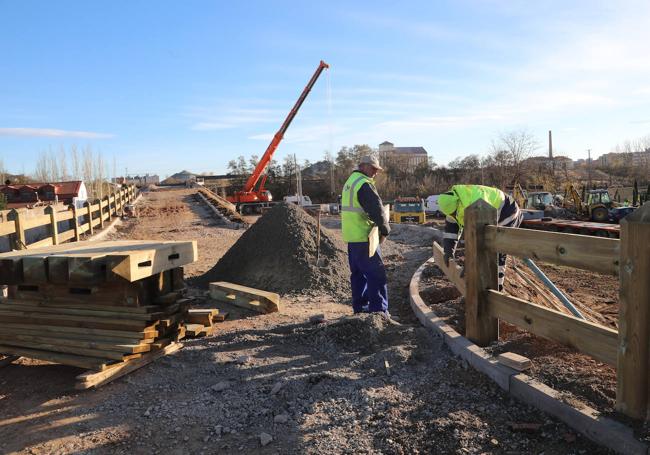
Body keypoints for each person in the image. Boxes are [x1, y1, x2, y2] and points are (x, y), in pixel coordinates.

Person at [438, 184, 523, 292]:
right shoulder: (451, 202)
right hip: (488, 211)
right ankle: (484, 282)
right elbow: (451, 229)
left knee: (497, 249)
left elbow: (478, 236)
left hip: (507, 210)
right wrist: (448, 251)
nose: (454, 215)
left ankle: (497, 289)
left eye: (454, 213)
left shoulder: (472, 202)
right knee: (486, 250)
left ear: (457, 204)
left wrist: (471, 262)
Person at [340, 155, 391, 317]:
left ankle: (361, 309)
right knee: (376, 274)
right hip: (365, 237)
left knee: (358, 275)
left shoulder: (350, 182)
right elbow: (376, 209)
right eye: (374, 169)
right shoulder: (364, 184)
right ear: (364, 166)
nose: (376, 172)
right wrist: (385, 229)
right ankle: (379, 311)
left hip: (352, 238)